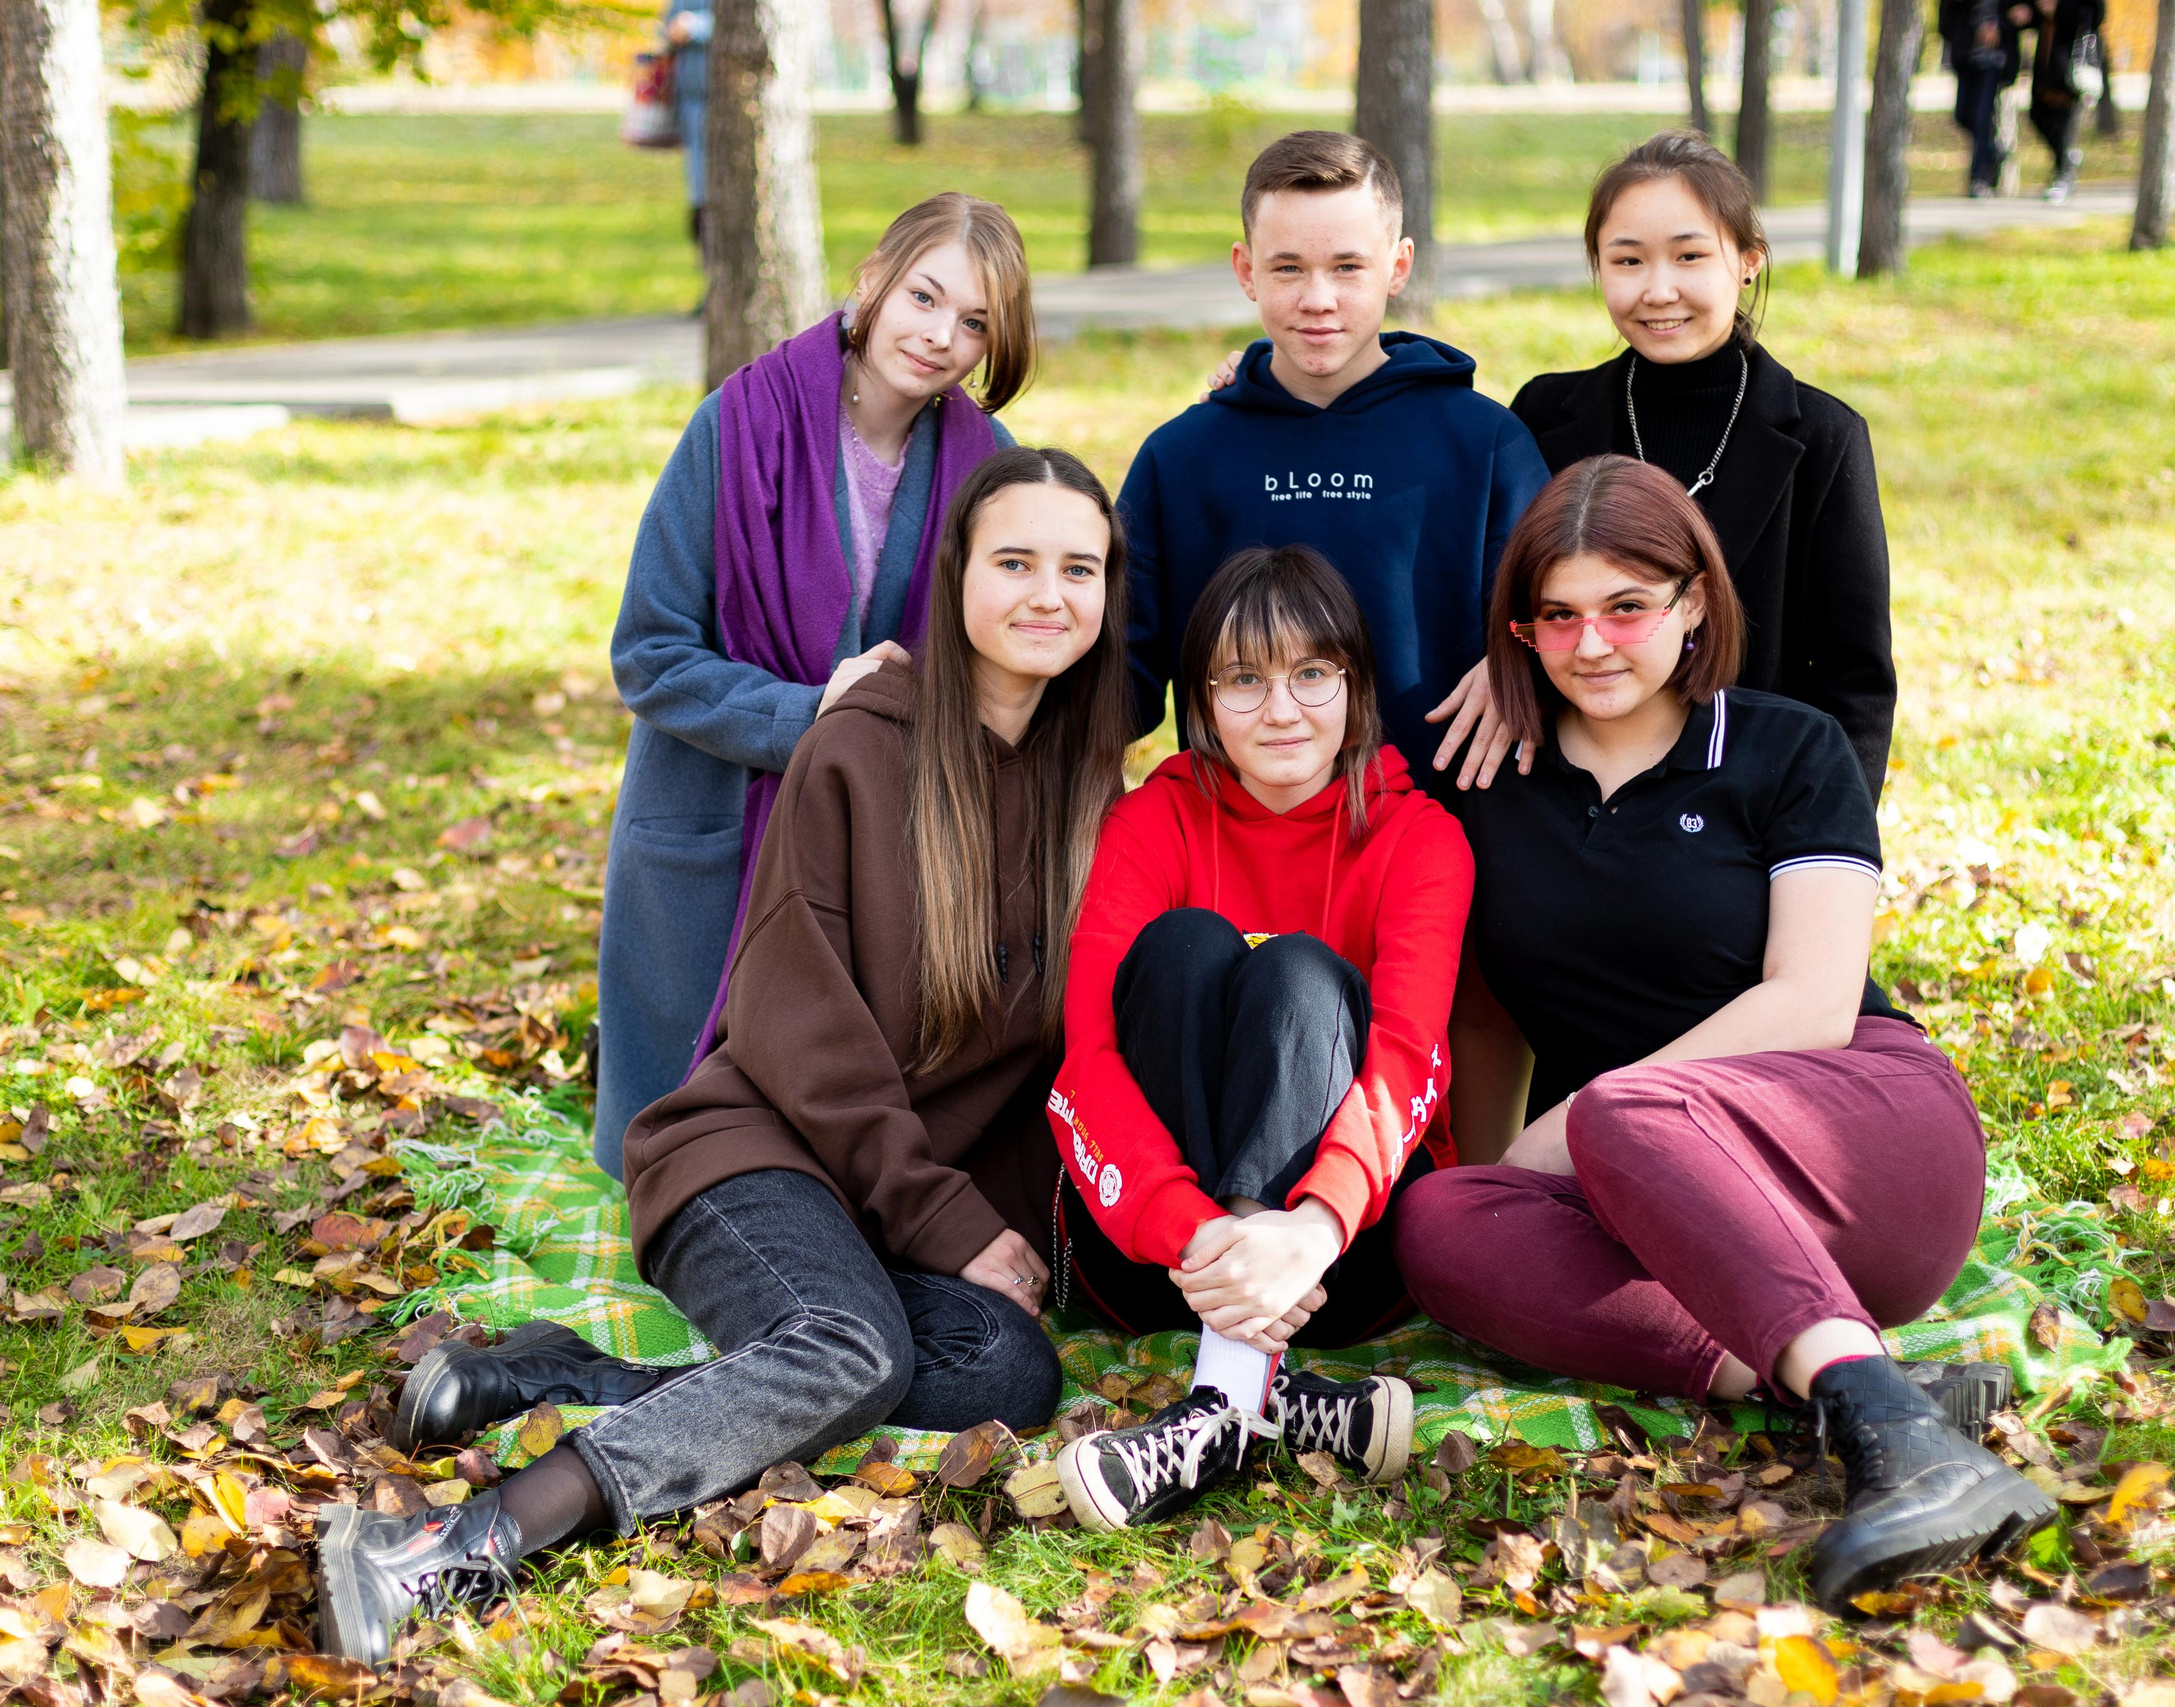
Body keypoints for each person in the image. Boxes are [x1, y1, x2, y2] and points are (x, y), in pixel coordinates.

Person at [315, 448, 1131, 1663]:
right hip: (754, 1160)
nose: (1047, 594)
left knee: (1003, 1371)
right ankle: (456, 1547)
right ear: (957, 575)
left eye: (1079, 568)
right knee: (852, 1349)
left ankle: (565, 1380)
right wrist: (944, 1217)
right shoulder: (861, 745)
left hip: (881, 1217)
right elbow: (804, 1030)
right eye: (1014, 560)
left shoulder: (1093, 793)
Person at [1393, 456, 2053, 1614]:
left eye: (1626, 606)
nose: (1592, 644)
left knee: (1620, 1106)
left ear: (1695, 601)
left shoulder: (1782, 749)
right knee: (1439, 1220)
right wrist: (1498, 1181)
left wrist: (1570, 1131)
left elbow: (1810, 999)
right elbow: (1486, 1013)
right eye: (1557, 616)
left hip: (1861, 1140)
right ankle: (1873, 1400)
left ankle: (1894, 1433)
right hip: (1659, 1192)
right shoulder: (1490, 776)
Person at [592, 191, 1031, 1181]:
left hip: (875, 845)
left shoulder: (986, 469)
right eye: (924, 296)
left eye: (973, 324)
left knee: (833, 1153)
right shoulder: (735, 427)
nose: (938, 337)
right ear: (873, 278)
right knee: (685, 1155)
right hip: (712, 815)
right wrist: (812, 716)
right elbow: (649, 652)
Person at [1044, 547, 1472, 1530]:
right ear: (1200, 701)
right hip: (1153, 1253)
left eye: (1311, 674)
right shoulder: (1153, 819)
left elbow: (1409, 1058)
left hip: (1338, 1261)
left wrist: (1307, 1233)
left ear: (1355, 686)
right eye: (1244, 680)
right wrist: (1202, 1238)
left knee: (1296, 971)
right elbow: (1087, 1059)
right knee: (1190, 946)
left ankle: (1219, 1400)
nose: (1281, 711)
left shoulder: (1421, 839)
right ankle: (1262, 1391)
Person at [1119, 129, 1551, 803]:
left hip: (1447, 831)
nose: (1318, 298)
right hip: (1241, 850)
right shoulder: (1180, 458)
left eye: (1348, 267)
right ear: (1245, 270)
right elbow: (1118, 676)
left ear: (1399, 265)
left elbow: (1560, 618)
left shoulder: (1487, 443)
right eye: (1287, 267)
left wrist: (1522, 660)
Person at [1505, 134, 1897, 804]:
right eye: (1627, 260)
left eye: (1689, 256)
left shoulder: (1824, 438)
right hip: (1572, 799)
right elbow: (1517, 621)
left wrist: (1830, 839)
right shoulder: (1544, 416)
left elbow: (1852, 679)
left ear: (1747, 261)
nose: (1659, 291)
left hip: (1747, 807)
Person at [2024, 0, 2106, 199]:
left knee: (2064, 123)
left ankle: (2064, 176)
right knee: (2037, 114)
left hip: (2070, 63)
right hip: (2046, 60)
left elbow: (2095, 14)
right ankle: (2067, 160)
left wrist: (2058, 8)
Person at [1939, 0, 2021, 196]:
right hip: (1967, 57)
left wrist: (1999, 27)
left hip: (1995, 60)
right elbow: (1945, 23)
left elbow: (2022, 13)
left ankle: (1979, 178)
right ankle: (1993, 151)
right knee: (1962, 115)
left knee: (1981, 117)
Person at [662, 0, 711, 273]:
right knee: (699, 202)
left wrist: (695, 27)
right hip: (690, 111)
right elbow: (665, 30)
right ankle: (710, 282)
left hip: (720, 108)